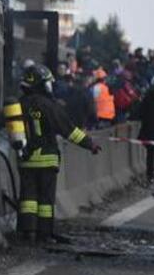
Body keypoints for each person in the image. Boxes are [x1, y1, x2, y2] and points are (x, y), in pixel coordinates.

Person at [15, 64, 100, 242]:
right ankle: (44, 234)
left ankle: (27, 231)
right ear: (43, 84)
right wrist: (89, 144)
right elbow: (68, 130)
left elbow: (0, 123)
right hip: (46, 159)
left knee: (28, 198)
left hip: (26, 159)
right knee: (45, 200)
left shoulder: (19, 104)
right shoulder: (48, 105)